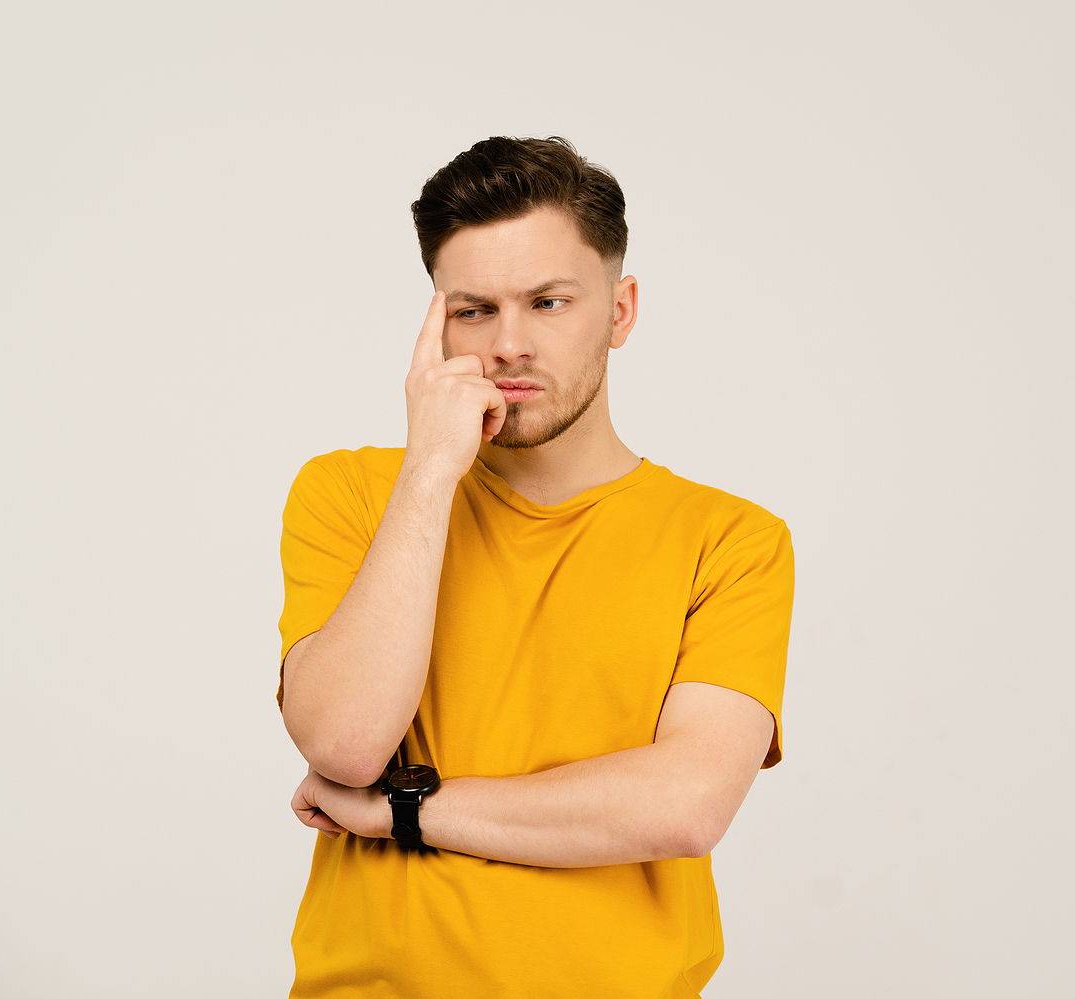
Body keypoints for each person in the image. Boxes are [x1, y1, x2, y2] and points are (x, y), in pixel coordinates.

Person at [275, 135, 796, 998]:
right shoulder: (354, 493)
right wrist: (432, 468)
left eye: (549, 302)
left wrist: (404, 813)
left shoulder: (730, 538)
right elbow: (345, 740)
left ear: (620, 310)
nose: (509, 344)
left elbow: (684, 805)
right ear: (433, 323)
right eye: (473, 310)